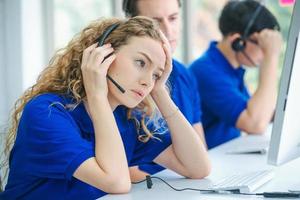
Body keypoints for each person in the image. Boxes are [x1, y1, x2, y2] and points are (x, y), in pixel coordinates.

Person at [0, 16, 210, 199]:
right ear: (102, 56)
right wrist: (97, 94)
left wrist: (160, 92)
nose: (148, 81)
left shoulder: (127, 119)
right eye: (141, 63)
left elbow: (198, 167)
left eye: (156, 74)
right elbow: (117, 183)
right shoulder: (46, 112)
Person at [122, 0, 207, 181]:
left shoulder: (184, 74)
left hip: (178, 183)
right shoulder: (126, 83)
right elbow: (127, 172)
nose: (168, 31)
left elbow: (200, 152)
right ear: (133, 25)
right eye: (156, 22)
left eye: (173, 18)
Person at [189, 0, 282, 149]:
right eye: (263, 46)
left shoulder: (233, 70)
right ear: (237, 41)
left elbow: (255, 112)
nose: (265, 53)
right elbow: (255, 124)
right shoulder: (205, 71)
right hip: (213, 162)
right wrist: (271, 58)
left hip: (228, 154)